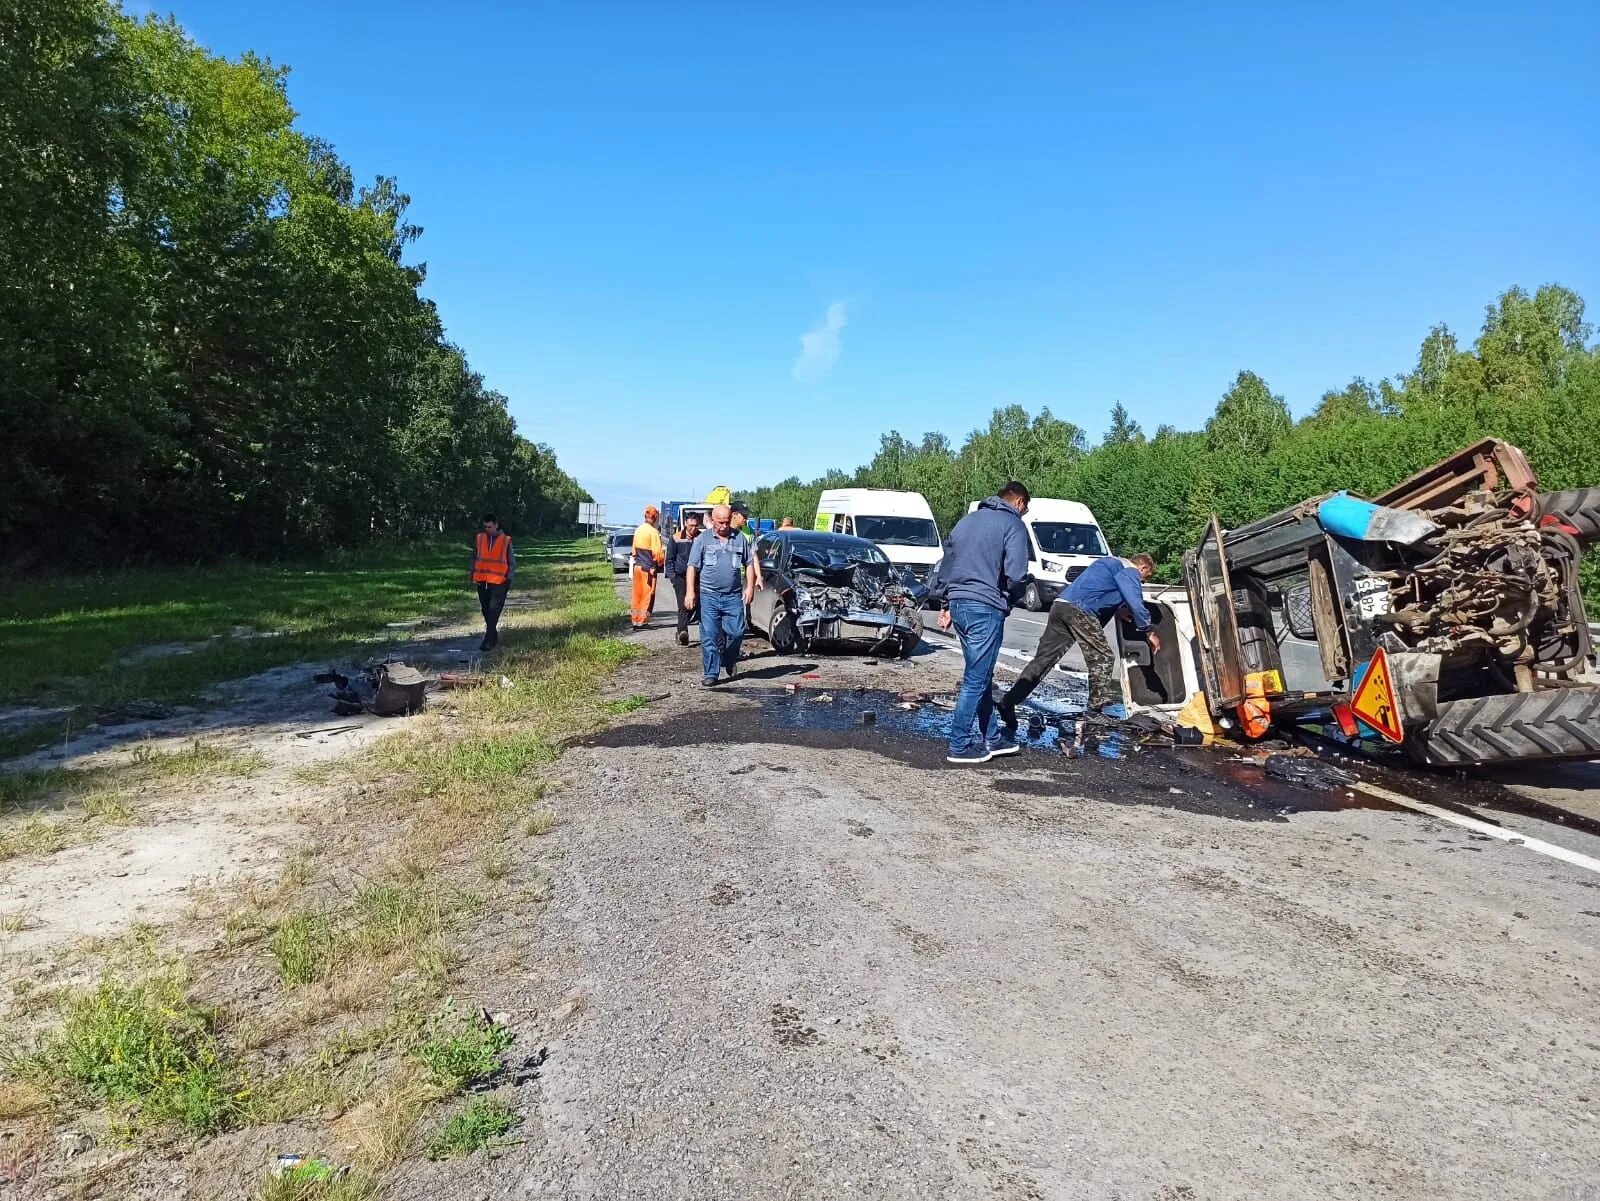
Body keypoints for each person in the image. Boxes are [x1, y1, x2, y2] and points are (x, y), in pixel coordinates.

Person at [997, 552, 1161, 729]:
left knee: (1043, 661)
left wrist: (1118, 609)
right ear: (1143, 567)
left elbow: (1099, 589)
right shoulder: (1129, 569)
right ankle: (1094, 712)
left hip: (1061, 605)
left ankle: (1008, 701)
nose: (1142, 581)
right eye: (1145, 577)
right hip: (1080, 611)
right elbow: (1135, 600)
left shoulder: (1108, 563)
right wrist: (1148, 630)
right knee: (1103, 658)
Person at [933, 482, 1031, 764]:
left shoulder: (966, 522)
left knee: (981, 673)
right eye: (1026, 508)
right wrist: (1011, 599)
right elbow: (1016, 573)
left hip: (959, 604)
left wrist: (944, 604)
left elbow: (945, 567)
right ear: (1019, 502)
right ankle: (959, 744)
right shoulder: (1012, 525)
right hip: (985, 606)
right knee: (976, 678)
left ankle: (992, 737)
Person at [686, 504, 762, 686]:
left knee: (737, 632)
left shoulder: (739, 539)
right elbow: (692, 567)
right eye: (720, 522)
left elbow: (749, 563)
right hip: (708, 596)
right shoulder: (702, 540)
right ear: (712, 520)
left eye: (726, 522)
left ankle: (728, 658)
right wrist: (690, 592)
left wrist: (750, 587)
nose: (723, 526)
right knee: (709, 636)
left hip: (733, 596)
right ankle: (711, 673)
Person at [469, 513, 515, 652]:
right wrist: (471, 573)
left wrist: (509, 578)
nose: (487, 529)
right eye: (485, 527)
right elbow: (475, 557)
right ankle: (493, 634)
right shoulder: (480, 538)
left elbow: (511, 562)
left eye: (490, 526)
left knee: (493, 610)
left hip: (500, 582)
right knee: (485, 610)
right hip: (482, 581)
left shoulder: (505, 541)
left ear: (496, 525)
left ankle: (488, 640)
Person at [664, 512, 702, 646]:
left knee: (698, 605)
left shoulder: (701, 538)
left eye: (695, 526)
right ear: (685, 523)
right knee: (683, 605)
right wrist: (673, 578)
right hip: (680, 577)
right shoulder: (676, 538)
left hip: (698, 577)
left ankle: (699, 631)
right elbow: (669, 559)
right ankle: (682, 632)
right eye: (691, 525)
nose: (693, 528)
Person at [630, 506, 666, 630]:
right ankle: (642, 621)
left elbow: (634, 551)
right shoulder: (653, 532)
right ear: (655, 517)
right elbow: (657, 553)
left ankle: (635, 620)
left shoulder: (638, 530)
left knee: (637, 595)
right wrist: (661, 563)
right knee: (647, 595)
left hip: (637, 567)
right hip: (648, 569)